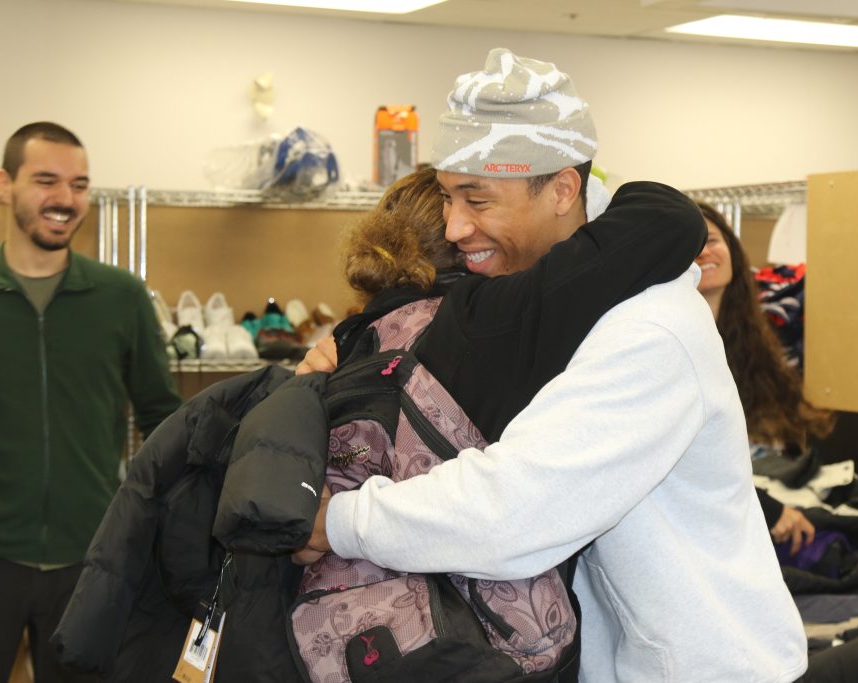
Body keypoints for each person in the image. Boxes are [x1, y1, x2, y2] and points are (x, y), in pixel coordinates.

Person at [297, 48, 808, 682]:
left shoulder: (650, 331)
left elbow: (514, 510)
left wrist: (337, 521)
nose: (455, 227)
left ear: (563, 189)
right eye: (450, 199)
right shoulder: (560, 303)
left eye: (477, 201)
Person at [0, 122, 181, 682]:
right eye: (46, 181)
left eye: (80, 184)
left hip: (90, 558)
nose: (66, 199)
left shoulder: (121, 298)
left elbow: (162, 416)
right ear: (4, 185)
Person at [694, 201, 837, 556]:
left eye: (711, 240)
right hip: (719, 514)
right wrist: (769, 508)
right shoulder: (674, 341)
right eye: (690, 245)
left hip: (763, 492)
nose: (703, 252)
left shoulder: (755, 332)